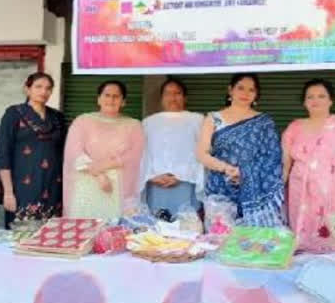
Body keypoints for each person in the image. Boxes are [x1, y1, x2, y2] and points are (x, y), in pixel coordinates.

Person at [282, 79, 335, 252]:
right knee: (304, 247)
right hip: (301, 196)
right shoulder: (294, 127)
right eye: (310, 97)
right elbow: (285, 165)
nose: (315, 100)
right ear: (304, 102)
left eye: (321, 96)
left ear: (331, 100)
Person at [196, 73, 284, 226]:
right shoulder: (214, 118)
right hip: (220, 187)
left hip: (257, 191)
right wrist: (227, 169)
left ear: (256, 94)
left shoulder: (264, 122)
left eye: (251, 90)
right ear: (230, 90)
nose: (245, 93)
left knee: (252, 243)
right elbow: (202, 154)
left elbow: (273, 157)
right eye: (241, 88)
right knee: (220, 239)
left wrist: (245, 173)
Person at [63, 80, 144, 219]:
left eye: (116, 96)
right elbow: (74, 152)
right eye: (107, 95)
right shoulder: (82, 121)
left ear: (123, 101)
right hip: (85, 185)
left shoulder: (134, 125)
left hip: (117, 187)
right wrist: (99, 174)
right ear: (99, 99)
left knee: (113, 232)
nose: (111, 99)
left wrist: (103, 166)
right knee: (84, 231)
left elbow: (135, 155)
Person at [0, 72, 66, 227]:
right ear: (27, 89)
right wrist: (8, 192)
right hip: (22, 187)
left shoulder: (57, 117)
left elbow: (65, 153)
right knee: (20, 237)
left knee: (49, 237)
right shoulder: (14, 114)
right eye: (38, 87)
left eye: (48, 88)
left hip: (53, 185)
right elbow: (4, 154)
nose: (43, 92)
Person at [140, 78, 204, 215]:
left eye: (177, 93)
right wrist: (151, 176)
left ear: (185, 97)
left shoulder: (197, 120)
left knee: (187, 226)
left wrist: (181, 175)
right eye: (168, 93)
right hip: (156, 183)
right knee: (157, 229)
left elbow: (203, 152)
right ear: (161, 98)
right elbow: (142, 154)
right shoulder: (148, 123)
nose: (173, 97)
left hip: (187, 182)